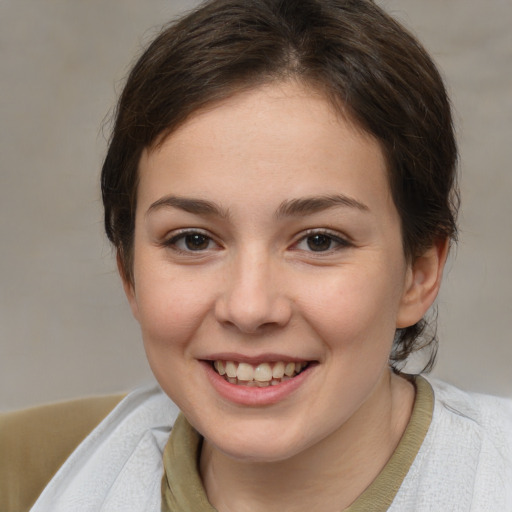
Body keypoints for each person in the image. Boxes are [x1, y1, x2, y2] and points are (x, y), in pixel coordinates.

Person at [2, 0, 511, 510]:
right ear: (129, 272)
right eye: (193, 240)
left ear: (418, 274)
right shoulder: (26, 477)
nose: (249, 308)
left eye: (319, 240)